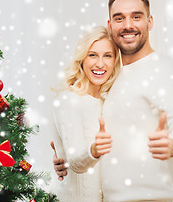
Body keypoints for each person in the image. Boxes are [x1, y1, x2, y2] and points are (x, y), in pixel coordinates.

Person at [52, 0, 173, 202]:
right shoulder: (111, 76)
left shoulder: (164, 70)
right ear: (110, 26)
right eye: (119, 18)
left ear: (150, 22)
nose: (128, 25)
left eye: (136, 17)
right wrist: (65, 158)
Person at [50, 26, 121, 202]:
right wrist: (94, 150)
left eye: (107, 56)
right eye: (92, 55)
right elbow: (75, 162)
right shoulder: (69, 100)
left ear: (115, 61)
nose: (100, 64)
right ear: (82, 59)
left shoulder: (108, 103)